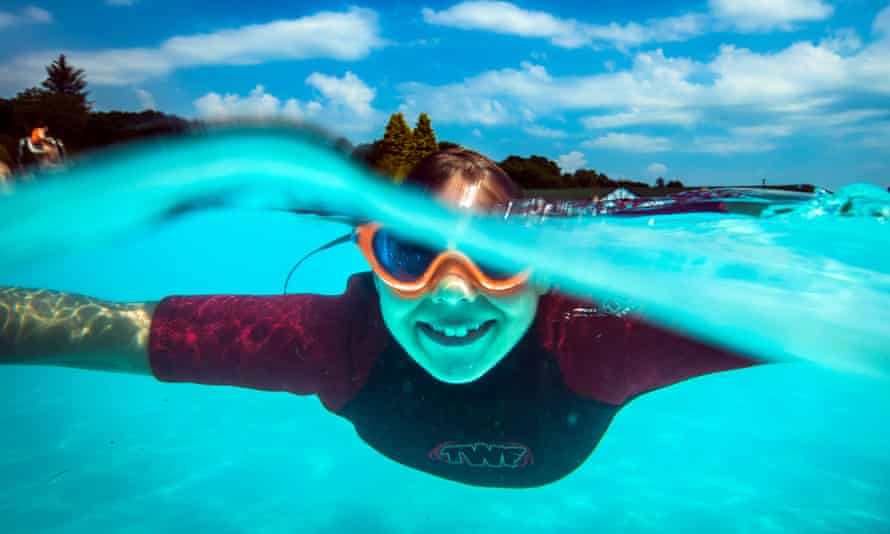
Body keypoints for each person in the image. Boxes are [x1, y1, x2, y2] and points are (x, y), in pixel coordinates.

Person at [0, 147, 760, 488]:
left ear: (544, 274)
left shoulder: (599, 340)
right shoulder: (334, 341)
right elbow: (113, 326)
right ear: (371, 262)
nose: (453, 296)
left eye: (495, 257)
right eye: (410, 255)